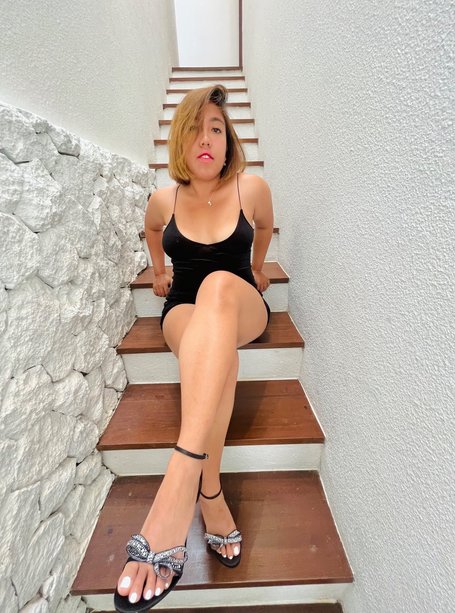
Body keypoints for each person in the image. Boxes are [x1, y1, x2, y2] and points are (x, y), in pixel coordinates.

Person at [114, 84, 274, 612]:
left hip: (239, 300)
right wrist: (158, 271)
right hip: (182, 307)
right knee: (215, 353)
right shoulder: (164, 199)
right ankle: (209, 492)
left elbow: (265, 226)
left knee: (220, 286)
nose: (206, 139)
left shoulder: (252, 188)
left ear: (229, 143)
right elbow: (152, 229)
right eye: (195, 129)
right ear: (180, 140)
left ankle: (178, 482)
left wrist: (256, 267)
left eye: (217, 129)